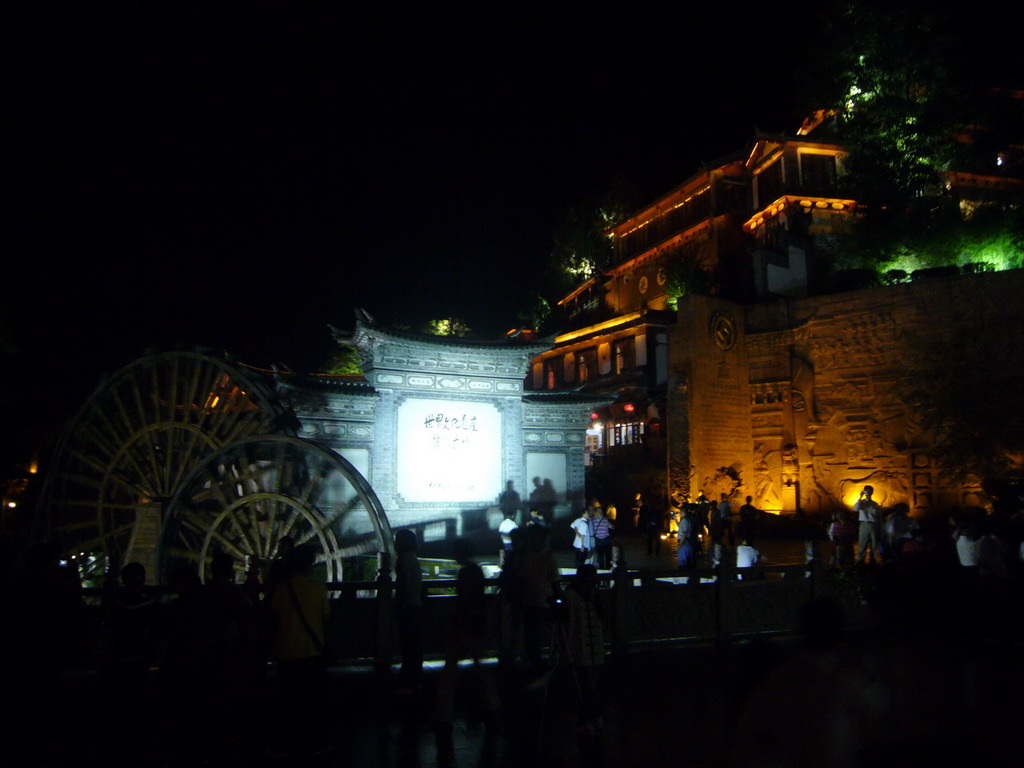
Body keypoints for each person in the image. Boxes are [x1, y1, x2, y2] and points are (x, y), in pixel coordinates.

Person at [394, 529, 424, 690]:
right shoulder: (413, 558)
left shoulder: (403, 559)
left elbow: (403, 583)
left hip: (407, 608)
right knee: (415, 646)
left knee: (408, 646)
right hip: (416, 606)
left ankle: (407, 680)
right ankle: (415, 679)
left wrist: (399, 605)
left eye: (396, 539)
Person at [854, 485, 882, 564]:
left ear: (872, 492)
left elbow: (879, 516)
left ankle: (873, 561)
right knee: (862, 543)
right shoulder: (861, 503)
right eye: (866, 491)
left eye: (869, 491)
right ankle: (860, 560)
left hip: (874, 524)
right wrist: (860, 497)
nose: (868, 493)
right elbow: (855, 508)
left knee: (874, 544)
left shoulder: (875, 504)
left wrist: (880, 526)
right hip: (864, 524)